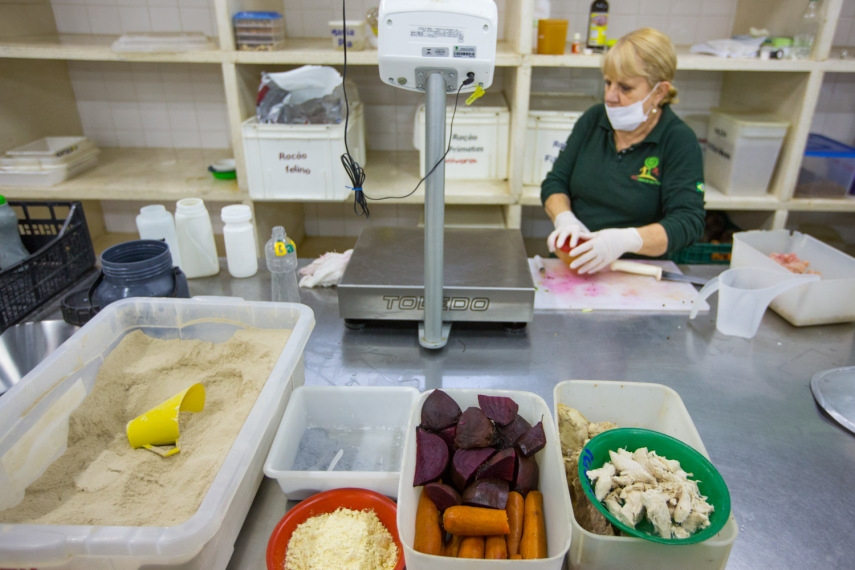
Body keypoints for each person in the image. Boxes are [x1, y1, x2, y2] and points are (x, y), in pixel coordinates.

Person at [541, 27, 705, 274]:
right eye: (608, 83)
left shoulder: (678, 140)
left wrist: (625, 240)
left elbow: (687, 222)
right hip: (573, 262)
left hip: (636, 270)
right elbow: (555, 182)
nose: (610, 96)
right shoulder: (594, 120)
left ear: (659, 92)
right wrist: (564, 218)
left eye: (625, 88)